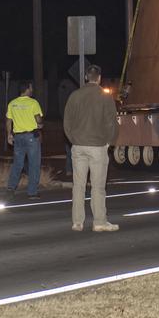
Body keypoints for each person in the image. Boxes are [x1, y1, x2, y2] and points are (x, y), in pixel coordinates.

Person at [62, 64, 119, 232]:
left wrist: (73, 139)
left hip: (78, 146)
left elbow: (67, 122)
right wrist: (109, 142)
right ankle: (99, 221)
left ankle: (77, 222)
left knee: (78, 185)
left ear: (86, 77)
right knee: (98, 187)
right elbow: (112, 122)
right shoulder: (105, 97)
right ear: (99, 78)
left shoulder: (75, 95)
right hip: (97, 146)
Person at [5, 81, 44, 199]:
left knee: (18, 163)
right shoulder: (33, 103)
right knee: (34, 164)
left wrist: (9, 135)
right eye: (31, 88)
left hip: (18, 137)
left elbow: (8, 121)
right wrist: (40, 124)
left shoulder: (12, 103)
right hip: (31, 137)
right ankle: (32, 192)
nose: (32, 90)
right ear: (27, 89)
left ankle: (11, 188)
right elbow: (38, 119)